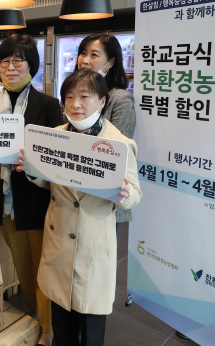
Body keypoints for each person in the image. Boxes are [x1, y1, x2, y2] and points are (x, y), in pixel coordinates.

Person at [17, 69, 141, 346]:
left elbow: (135, 195)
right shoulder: (54, 136)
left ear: (102, 101)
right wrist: (31, 168)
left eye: (85, 96)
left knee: (91, 324)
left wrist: (123, 194)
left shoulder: (118, 144)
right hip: (59, 236)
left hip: (92, 242)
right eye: (69, 97)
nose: (75, 104)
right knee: (62, 320)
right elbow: (47, 182)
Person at [0, 34, 64, 346]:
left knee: (44, 265)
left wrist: (33, 162)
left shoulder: (48, 106)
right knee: (22, 263)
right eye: (5, 61)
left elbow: (59, 155)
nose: (11, 67)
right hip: (3, 200)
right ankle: (33, 309)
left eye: (18, 61)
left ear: (32, 66)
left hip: (37, 200)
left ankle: (47, 327)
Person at [74, 33, 136, 229]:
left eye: (94, 55)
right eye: (83, 53)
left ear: (110, 63)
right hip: (74, 193)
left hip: (105, 200)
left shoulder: (120, 99)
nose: (84, 61)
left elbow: (115, 152)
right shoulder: (74, 95)